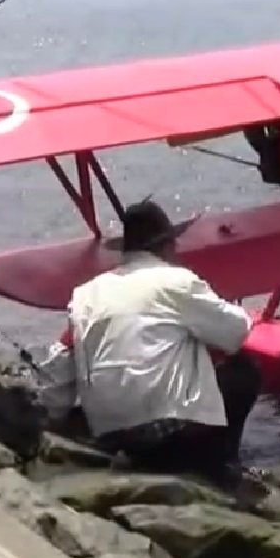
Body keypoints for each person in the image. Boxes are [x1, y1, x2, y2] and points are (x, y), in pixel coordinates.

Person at [31, 199, 260, 487]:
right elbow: (237, 331)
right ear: (166, 246)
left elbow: (61, 358)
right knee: (244, 370)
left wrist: (53, 417)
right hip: (166, 435)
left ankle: (147, 456)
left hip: (110, 434)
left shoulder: (85, 294)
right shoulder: (177, 280)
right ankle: (218, 467)